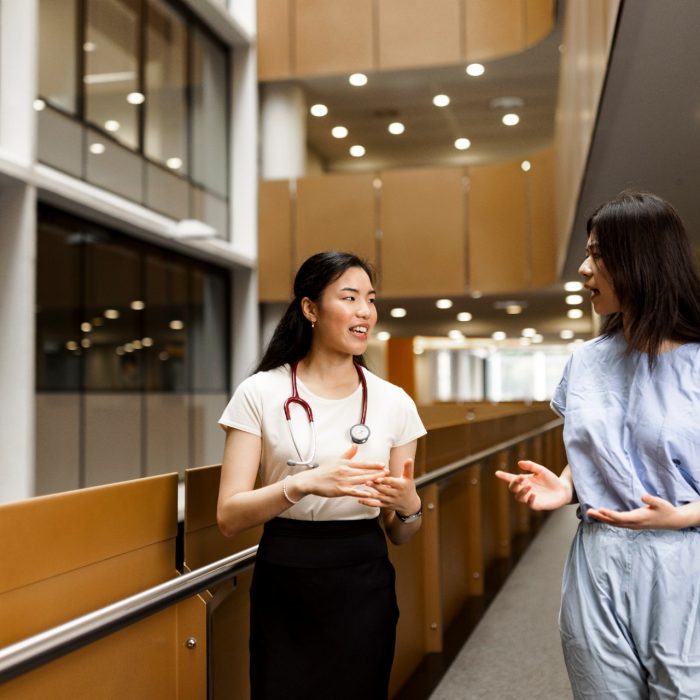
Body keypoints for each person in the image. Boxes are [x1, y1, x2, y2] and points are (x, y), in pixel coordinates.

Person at [495, 191, 700, 699]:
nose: (585, 270)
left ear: (641, 261)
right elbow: (603, 441)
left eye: (597, 255)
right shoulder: (586, 361)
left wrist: (684, 515)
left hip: (683, 560)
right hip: (597, 558)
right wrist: (566, 485)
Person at [217, 251, 426, 700]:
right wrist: (301, 484)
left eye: (369, 299)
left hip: (363, 576)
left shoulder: (395, 403)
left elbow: (400, 533)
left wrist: (410, 508)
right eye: (348, 297)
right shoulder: (261, 393)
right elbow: (229, 517)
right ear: (310, 309)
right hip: (285, 575)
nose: (364, 312)